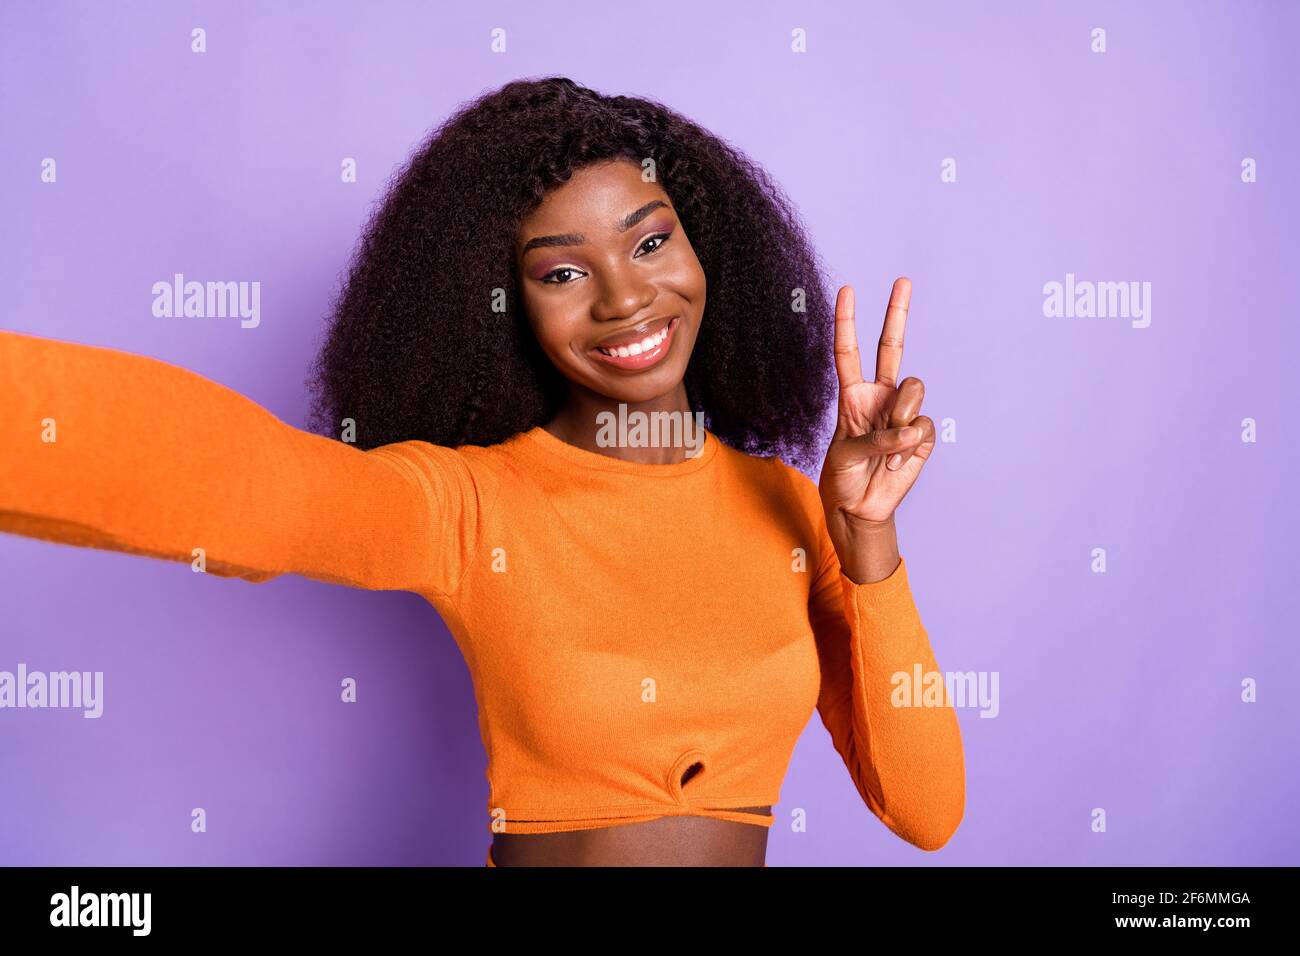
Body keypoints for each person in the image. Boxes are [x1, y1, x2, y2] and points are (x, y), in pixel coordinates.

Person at [0, 76, 964, 867]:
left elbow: (929, 811)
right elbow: (254, 484)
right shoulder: (471, 507)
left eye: (651, 240)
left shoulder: (793, 509)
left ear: (709, 245)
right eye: (562, 272)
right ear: (502, 305)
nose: (628, 297)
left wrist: (869, 539)